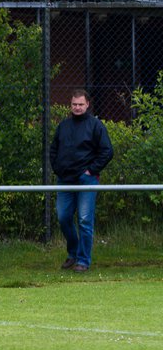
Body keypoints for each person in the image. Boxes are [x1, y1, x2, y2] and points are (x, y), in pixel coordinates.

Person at [50, 89, 113, 272]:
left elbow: (107, 151)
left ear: (87, 105)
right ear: (70, 105)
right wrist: (57, 168)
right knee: (63, 218)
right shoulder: (63, 125)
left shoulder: (95, 126)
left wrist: (90, 171)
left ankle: (83, 261)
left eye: (80, 104)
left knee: (85, 220)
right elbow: (53, 150)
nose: (77, 107)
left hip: (86, 180)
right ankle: (74, 252)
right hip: (65, 180)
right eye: (74, 104)